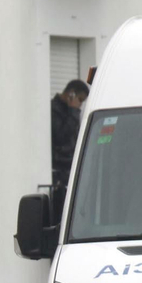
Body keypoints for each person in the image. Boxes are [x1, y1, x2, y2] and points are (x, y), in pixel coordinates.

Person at [51, 79, 88, 214]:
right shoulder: (54, 111)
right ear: (71, 94)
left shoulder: (71, 113)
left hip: (69, 169)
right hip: (59, 171)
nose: (80, 105)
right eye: (80, 100)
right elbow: (61, 137)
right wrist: (73, 111)